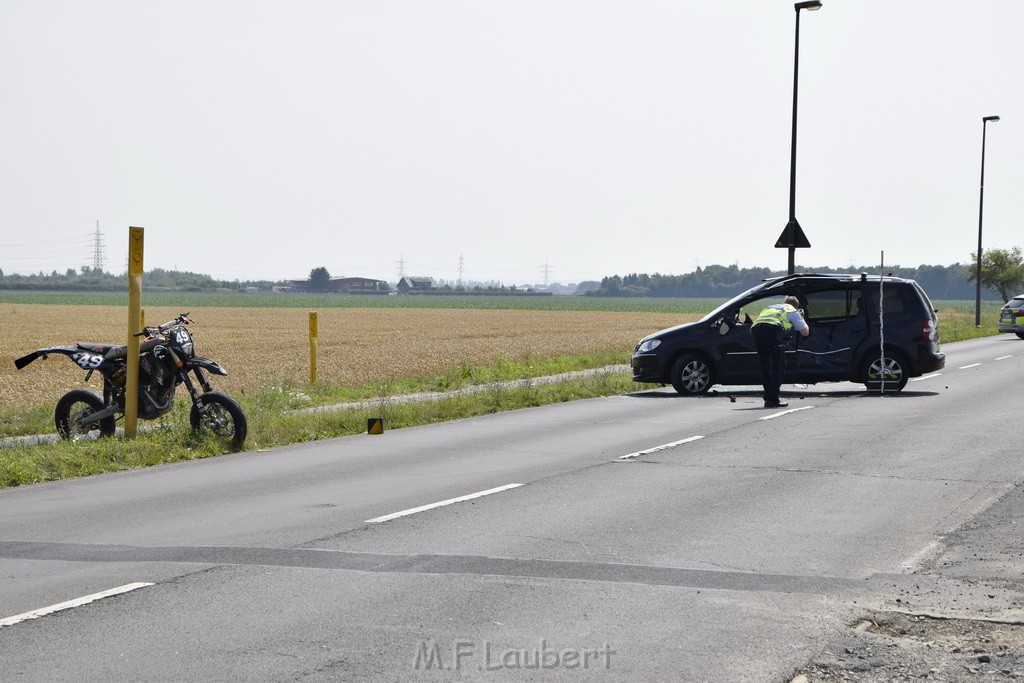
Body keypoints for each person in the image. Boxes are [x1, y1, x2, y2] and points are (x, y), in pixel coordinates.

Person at [750, 295, 809, 408]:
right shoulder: (792, 311)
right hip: (772, 331)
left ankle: (769, 397)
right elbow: (805, 332)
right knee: (779, 366)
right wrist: (801, 318)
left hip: (756, 330)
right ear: (796, 306)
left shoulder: (771, 307)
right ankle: (772, 399)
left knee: (765, 365)